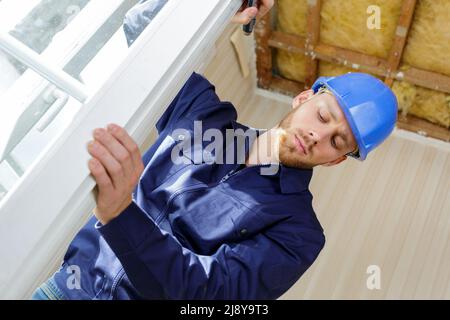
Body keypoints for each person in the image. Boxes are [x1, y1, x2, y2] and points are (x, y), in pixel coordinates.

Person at [31, 0, 397, 300]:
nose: (319, 136)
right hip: (59, 291)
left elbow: (206, 296)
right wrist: (218, 12)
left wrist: (120, 213)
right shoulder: (203, 116)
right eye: (323, 115)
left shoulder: (299, 233)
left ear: (334, 160)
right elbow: (141, 29)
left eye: (337, 142)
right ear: (303, 98)